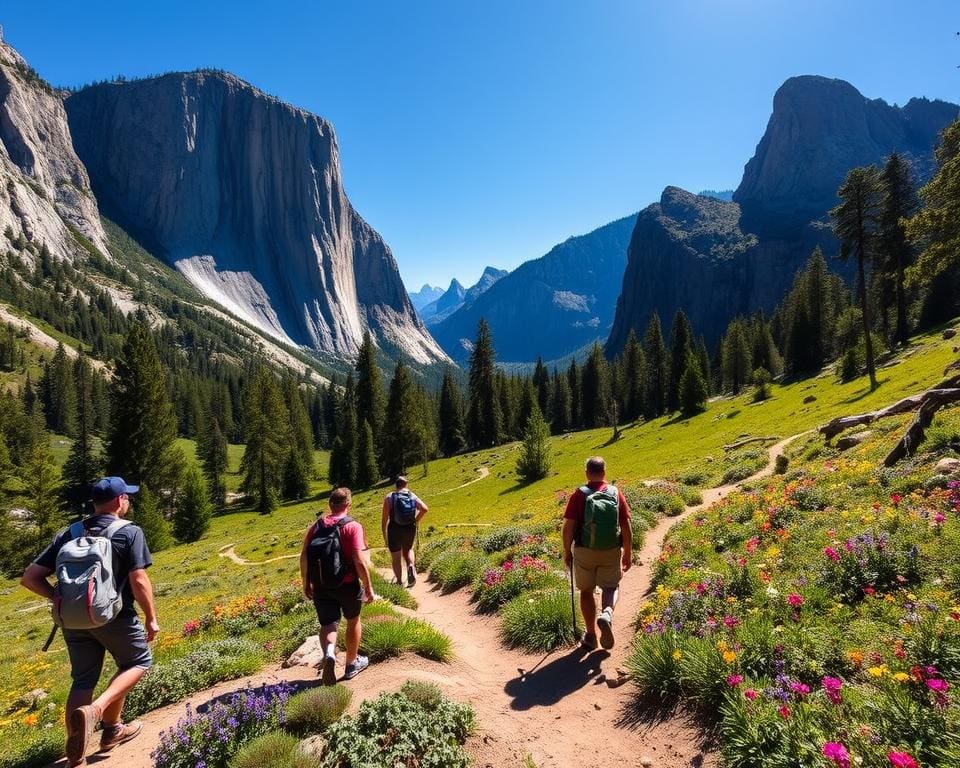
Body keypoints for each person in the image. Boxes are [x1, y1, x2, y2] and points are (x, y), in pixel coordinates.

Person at [20, 477, 158, 767]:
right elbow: (139, 580)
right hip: (114, 617)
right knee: (138, 662)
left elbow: (30, 577)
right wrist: (151, 618)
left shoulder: (69, 533)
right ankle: (98, 712)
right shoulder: (129, 532)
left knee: (83, 679)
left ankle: (97, 739)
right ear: (120, 500)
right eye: (127, 497)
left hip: (73, 621)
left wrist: (59, 598)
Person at [300, 487, 377, 686]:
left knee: (328, 624)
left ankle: (328, 653)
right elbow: (359, 560)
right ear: (348, 504)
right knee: (353, 620)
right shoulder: (353, 526)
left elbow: (304, 557)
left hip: (321, 584)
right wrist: (368, 587)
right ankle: (351, 664)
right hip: (347, 584)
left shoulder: (315, 527)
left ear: (330, 505)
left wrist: (306, 583)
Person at [562, 456, 632, 650]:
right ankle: (607, 613)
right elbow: (625, 524)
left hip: (585, 551)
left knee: (586, 591)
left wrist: (567, 552)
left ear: (587, 472)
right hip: (610, 549)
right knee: (611, 587)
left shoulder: (580, 494)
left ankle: (591, 636)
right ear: (604, 472)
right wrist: (628, 552)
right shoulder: (615, 492)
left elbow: (568, 527)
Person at [381, 475, 428, 587]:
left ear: (396, 485)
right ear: (406, 485)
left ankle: (399, 581)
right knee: (408, 549)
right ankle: (411, 566)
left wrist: (384, 533)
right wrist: (416, 521)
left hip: (394, 528)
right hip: (409, 528)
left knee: (396, 557)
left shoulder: (390, 497)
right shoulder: (412, 496)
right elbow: (425, 509)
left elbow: (384, 518)